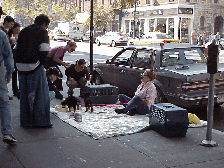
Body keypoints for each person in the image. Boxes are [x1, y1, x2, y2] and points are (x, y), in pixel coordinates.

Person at [15, 14, 52, 128]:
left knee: (25, 95)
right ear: (44, 24)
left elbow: (16, 48)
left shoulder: (24, 30)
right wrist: (42, 63)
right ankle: (41, 122)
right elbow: (44, 50)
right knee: (40, 95)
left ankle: (25, 121)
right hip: (34, 66)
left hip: (20, 66)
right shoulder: (42, 32)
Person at [0, 6, 17, 143]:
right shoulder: (1, 35)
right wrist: (9, 73)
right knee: (4, 100)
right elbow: (8, 56)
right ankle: (6, 132)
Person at [8, 22, 21, 98]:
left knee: (17, 73)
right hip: (10, 56)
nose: (18, 30)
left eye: (19, 29)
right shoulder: (9, 36)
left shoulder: (19, 36)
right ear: (13, 29)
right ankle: (14, 89)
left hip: (17, 56)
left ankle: (17, 90)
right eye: (16, 29)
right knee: (12, 73)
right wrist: (12, 43)